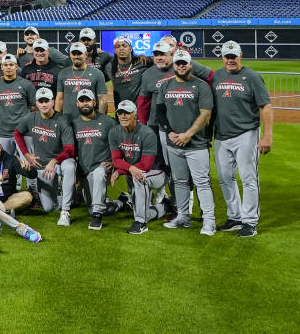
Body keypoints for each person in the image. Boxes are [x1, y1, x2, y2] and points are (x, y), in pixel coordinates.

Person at [211, 40, 273, 238]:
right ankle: (235, 217)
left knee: (248, 178)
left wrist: (267, 135)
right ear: (222, 57)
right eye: (227, 57)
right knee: (225, 178)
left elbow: (266, 106)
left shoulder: (253, 77)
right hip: (221, 135)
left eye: (233, 56)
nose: (230, 60)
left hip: (246, 133)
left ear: (240, 56)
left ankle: (250, 222)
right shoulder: (216, 76)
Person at [153, 50, 216, 236]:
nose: (181, 66)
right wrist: (170, 132)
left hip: (196, 144)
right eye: (178, 63)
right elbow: (160, 112)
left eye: (184, 63)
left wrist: (188, 134)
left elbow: (205, 114)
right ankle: (183, 216)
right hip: (174, 144)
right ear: (173, 65)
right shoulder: (165, 86)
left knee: (202, 182)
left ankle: (209, 222)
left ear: (191, 64)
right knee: (179, 181)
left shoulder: (201, 86)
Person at [13, 88, 76, 226]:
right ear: (36, 103)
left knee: (70, 166)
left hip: (61, 161)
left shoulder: (62, 120)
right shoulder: (31, 118)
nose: (44, 104)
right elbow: (17, 133)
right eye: (40, 101)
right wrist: (26, 155)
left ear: (53, 101)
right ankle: (70, 196)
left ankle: (65, 211)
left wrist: (54, 161)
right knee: (49, 207)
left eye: (46, 101)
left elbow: (70, 150)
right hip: (43, 165)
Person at [109, 100, 172, 235]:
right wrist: (127, 169)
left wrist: (121, 170)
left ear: (135, 115)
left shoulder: (147, 133)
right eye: (120, 113)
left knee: (140, 177)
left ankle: (141, 224)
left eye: (127, 113)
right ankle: (165, 206)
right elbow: (116, 159)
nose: (123, 116)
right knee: (142, 211)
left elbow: (146, 166)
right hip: (136, 171)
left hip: (158, 172)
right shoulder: (114, 132)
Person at [70, 89, 127, 230]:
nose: (85, 104)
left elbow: (123, 144)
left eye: (88, 100)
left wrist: (115, 164)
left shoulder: (109, 122)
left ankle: (96, 217)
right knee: (97, 206)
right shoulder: (73, 124)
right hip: (85, 171)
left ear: (94, 102)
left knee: (99, 174)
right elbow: (71, 151)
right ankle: (121, 202)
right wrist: (76, 175)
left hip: (103, 169)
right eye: (82, 101)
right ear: (77, 103)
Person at [0, 54, 36, 155]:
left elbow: (34, 107)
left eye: (11, 64)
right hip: (4, 132)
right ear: (2, 67)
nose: (8, 67)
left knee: (28, 164)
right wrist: (5, 117)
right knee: (5, 164)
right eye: (5, 65)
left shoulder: (26, 84)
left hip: (24, 132)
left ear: (16, 66)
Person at [55, 42, 107, 116]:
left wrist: (101, 119)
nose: (76, 56)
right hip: (68, 120)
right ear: (70, 55)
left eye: (79, 53)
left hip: (89, 119)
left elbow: (102, 99)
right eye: (74, 54)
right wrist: (57, 119)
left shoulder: (97, 73)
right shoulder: (63, 73)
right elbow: (60, 98)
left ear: (86, 54)